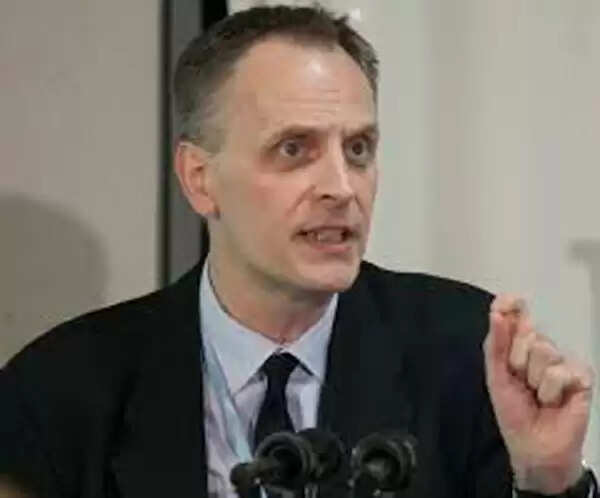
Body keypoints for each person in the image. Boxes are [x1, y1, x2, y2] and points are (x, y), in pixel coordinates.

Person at [0, 5, 597, 498]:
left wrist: (549, 480)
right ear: (199, 178)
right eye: (294, 149)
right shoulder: (60, 392)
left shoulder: (466, 358)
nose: (341, 187)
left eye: (358, 149)